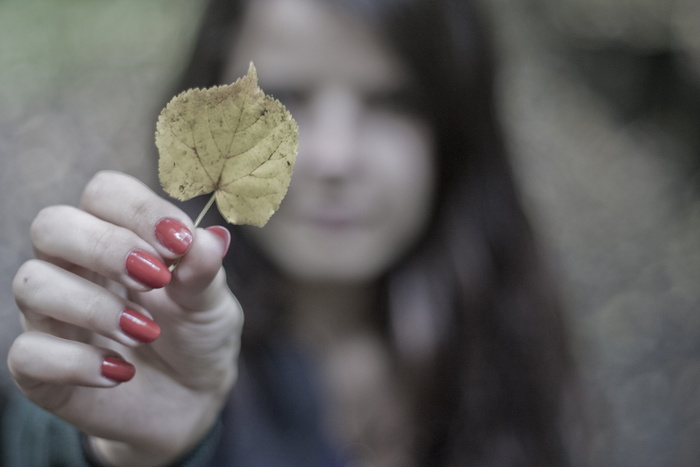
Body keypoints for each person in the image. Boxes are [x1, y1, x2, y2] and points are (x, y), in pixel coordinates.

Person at [3, 0, 577, 465]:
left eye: (392, 102)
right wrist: (120, 451)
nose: (334, 157)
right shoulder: (151, 335)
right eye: (284, 99)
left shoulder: (500, 338)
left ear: (456, 132)